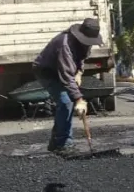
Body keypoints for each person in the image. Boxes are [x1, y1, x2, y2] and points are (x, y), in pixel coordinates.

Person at [33, 17, 104, 155]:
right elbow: (66, 76)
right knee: (66, 102)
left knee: (68, 100)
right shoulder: (65, 44)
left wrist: (79, 72)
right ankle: (64, 144)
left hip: (63, 71)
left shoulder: (83, 43)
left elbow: (81, 58)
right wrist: (79, 100)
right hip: (47, 72)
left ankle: (56, 142)